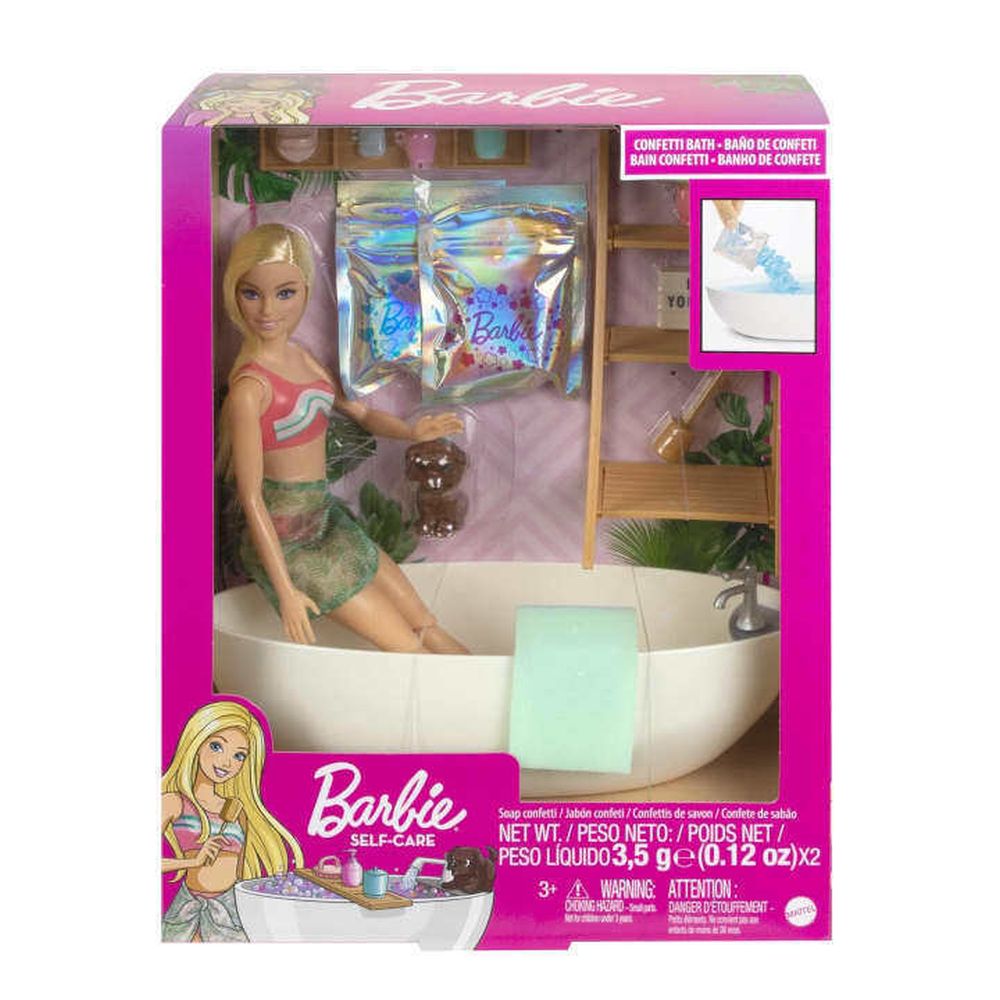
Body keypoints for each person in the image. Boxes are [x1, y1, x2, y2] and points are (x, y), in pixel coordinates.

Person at [217, 223, 469, 651]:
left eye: (285, 293)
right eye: (251, 293)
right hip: (286, 541)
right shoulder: (249, 390)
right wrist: (286, 591)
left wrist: (410, 431)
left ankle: (495, 687)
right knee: (405, 647)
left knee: (425, 624)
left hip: (327, 519)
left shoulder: (301, 357)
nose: (267, 309)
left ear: (305, 291)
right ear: (234, 294)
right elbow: (252, 496)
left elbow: (361, 413)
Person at [161, 701, 302, 942]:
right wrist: (193, 861)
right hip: (187, 909)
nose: (227, 763)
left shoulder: (237, 810)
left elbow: (240, 869)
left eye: (239, 756)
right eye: (217, 746)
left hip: (229, 912)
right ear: (197, 743)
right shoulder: (174, 802)